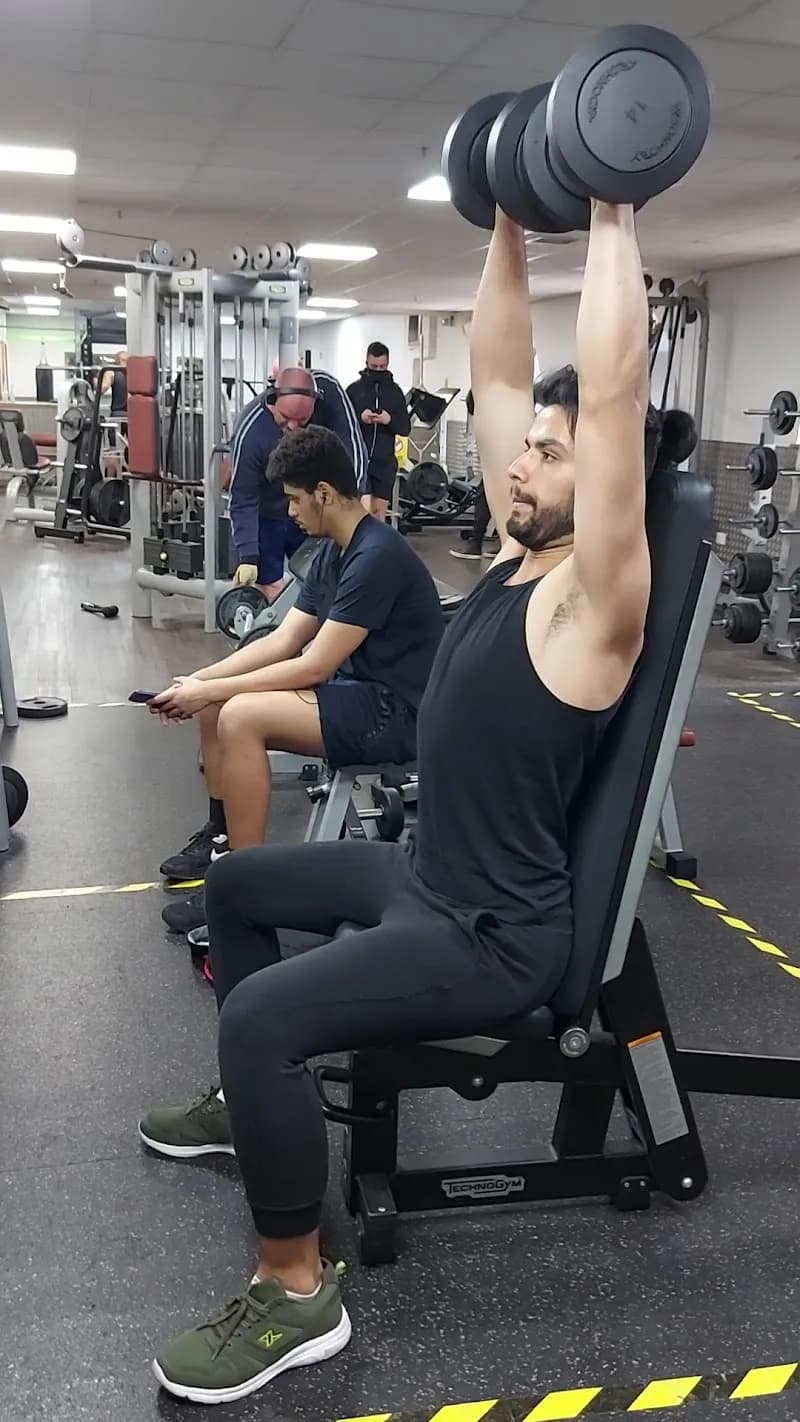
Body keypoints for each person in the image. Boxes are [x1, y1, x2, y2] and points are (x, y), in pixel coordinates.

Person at [141, 202, 693, 1404]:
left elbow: (609, 395)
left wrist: (609, 212)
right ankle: (255, 1112)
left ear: (603, 475)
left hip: (492, 933)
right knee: (233, 887)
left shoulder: (595, 598)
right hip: (425, 873)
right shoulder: (514, 556)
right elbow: (501, 365)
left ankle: (295, 1291)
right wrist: (504, 217)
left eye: (552, 452)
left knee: (263, 1017)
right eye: (526, 447)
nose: (522, 460)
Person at [155, 425, 443, 936]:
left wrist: (216, 688)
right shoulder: (335, 549)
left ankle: (244, 895)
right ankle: (222, 848)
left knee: (240, 714)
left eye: (294, 499)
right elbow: (282, 641)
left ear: (324, 494)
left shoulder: (376, 556)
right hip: (357, 696)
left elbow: (313, 666)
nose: (289, 512)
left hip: (396, 713)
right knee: (215, 706)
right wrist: (197, 682)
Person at [230, 367, 366, 601]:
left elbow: (352, 449)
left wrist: (350, 504)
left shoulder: (328, 395)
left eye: (301, 420)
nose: (293, 427)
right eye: (285, 419)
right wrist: (248, 555)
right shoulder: (251, 434)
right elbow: (243, 497)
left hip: (311, 510)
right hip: (268, 516)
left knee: (320, 578)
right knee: (271, 587)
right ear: (273, 400)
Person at [347, 343, 410, 520]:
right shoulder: (354, 391)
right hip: (359, 460)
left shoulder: (395, 392)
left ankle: (376, 546)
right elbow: (342, 424)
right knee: (362, 510)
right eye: (374, 367)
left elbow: (405, 428)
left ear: (388, 364)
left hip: (384, 463)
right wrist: (360, 418)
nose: (378, 370)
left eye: (382, 367)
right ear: (366, 362)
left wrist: (389, 420)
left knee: (378, 514)